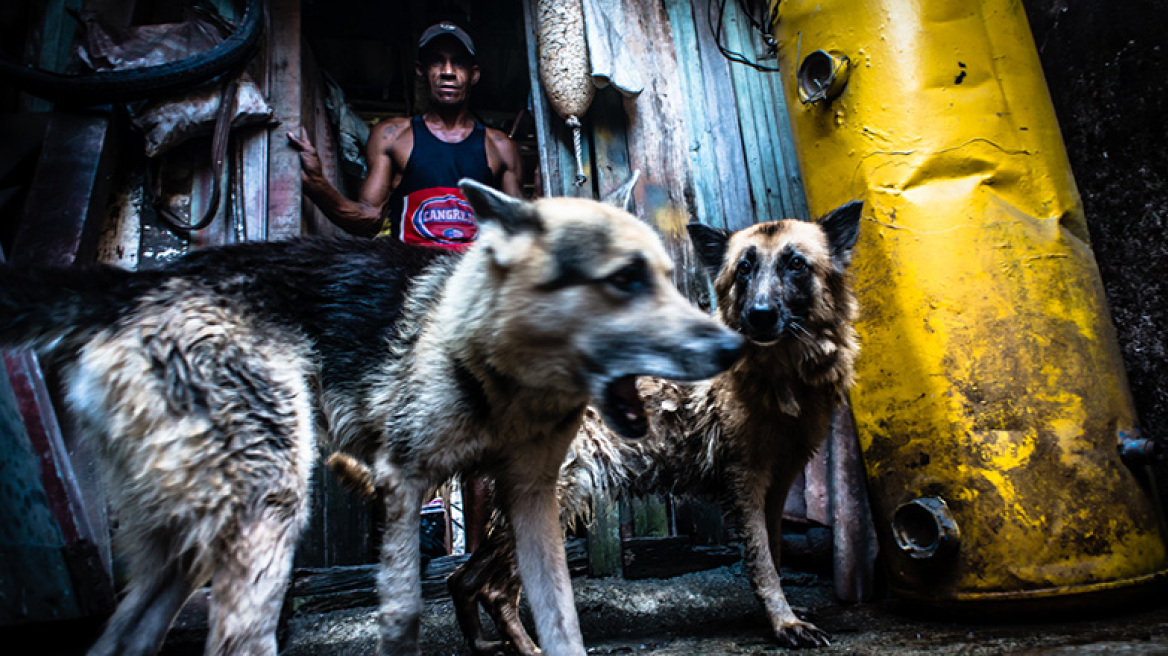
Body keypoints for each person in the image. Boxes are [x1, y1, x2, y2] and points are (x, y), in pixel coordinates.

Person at [288, 21, 523, 250]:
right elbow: (368, 221)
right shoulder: (392, 136)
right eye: (436, 62)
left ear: (473, 75)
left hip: (472, 281)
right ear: (421, 70)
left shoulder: (501, 147)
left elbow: (519, 231)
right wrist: (319, 187)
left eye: (458, 63)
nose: (448, 72)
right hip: (412, 280)